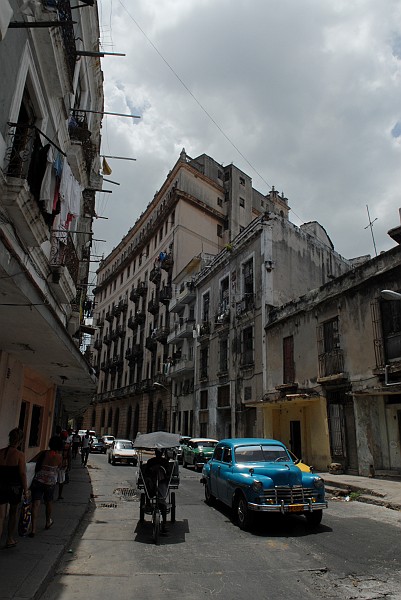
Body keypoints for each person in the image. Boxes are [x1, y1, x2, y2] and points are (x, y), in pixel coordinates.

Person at [0, 428, 28, 548]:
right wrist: (26, 489)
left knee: (0, 516)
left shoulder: (0, 452)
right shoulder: (19, 455)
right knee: (13, 513)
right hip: (14, 488)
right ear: (20, 440)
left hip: (0, 485)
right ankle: (10, 539)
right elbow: (22, 473)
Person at [29, 435, 63, 536]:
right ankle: (48, 521)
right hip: (50, 483)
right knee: (49, 502)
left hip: (38, 481)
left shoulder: (43, 453)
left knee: (36, 504)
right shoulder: (59, 457)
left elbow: (31, 462)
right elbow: (59, 468)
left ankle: (33, 529)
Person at [144, 449, 171, 532]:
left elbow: (168, 474)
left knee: (162, 503)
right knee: (147, 483)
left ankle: (164, 523)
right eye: (158, 452)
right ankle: (148, 501)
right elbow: (146, 473)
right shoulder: (151, 461)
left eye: (160, 453)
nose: (159, 454)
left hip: (162, 483)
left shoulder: (165, 462)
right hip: (152, 483)